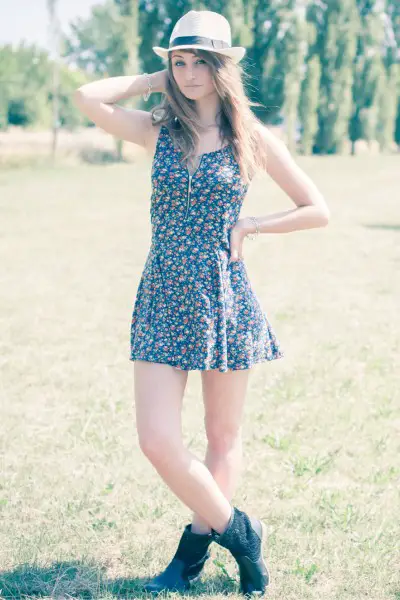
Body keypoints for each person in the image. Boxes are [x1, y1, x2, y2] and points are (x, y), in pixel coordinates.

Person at [74, 9, 330, 596]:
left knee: (222, 436)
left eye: (198, 63)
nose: (188, 75)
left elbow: (317, 208)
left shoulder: (252, 138)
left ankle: (189, 558)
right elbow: (87, 96)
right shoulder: (158, 128)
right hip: (163, 288)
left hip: (223, 295)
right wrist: (151, 81)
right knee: (156, 439)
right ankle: (242, 533)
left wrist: (253, 225)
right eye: (179, 62)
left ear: (222, 67)